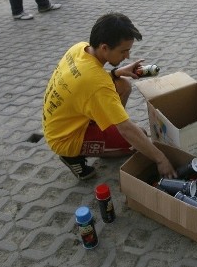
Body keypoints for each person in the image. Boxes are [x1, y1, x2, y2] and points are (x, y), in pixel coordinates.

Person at [42, 12, 175, 181]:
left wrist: (116, 72)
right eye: (123, 51)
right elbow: (126, 130)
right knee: (134, 142)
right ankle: (71, 156)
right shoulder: (97, 84)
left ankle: (106, 131)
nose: (127, 56)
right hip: (65, 137)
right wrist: (160, 159)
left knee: (123, 84)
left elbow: (90, 79)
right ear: (104, 47)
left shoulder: (80, 48)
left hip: (65, 119)